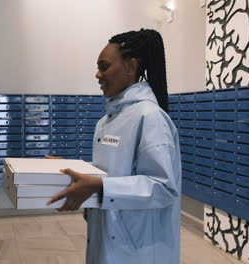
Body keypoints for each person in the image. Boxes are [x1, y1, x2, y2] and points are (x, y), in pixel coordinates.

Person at [46, 29, 182, 264]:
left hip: (138, 246)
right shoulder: (106, 122)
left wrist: (100, 186)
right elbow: (112, 173)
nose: (97, 74)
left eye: (104, 66)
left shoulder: (150, 117)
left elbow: (163, 188)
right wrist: (77, 170)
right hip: (107, 233)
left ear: (131, 66)